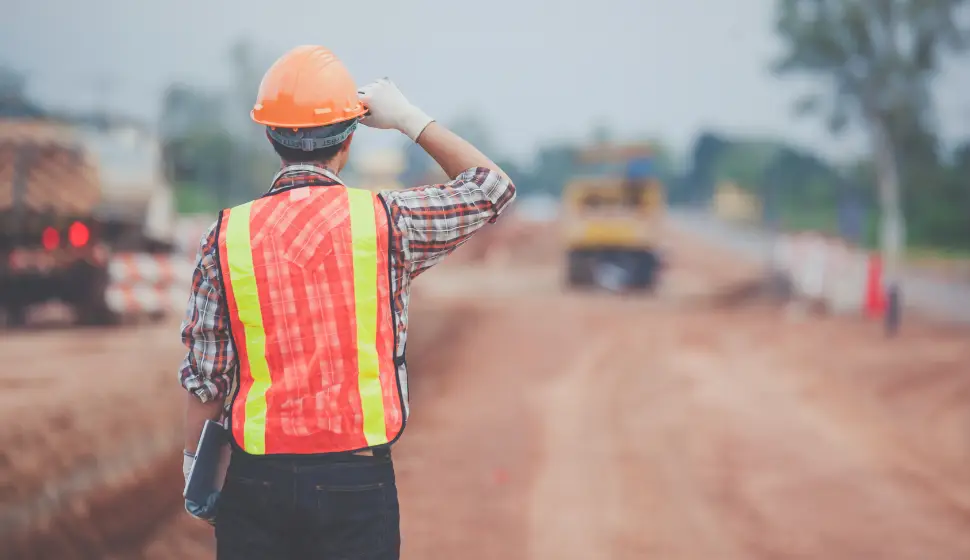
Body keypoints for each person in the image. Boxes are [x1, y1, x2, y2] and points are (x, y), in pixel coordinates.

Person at [177, 45, 515, 559]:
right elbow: (493, 188)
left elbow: (206, 376)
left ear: (271, 136)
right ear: (349, 140)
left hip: (256, 483)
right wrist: (408, 119)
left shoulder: (226, 236)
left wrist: (194, 472)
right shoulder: (387, 222)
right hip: (356, 483)